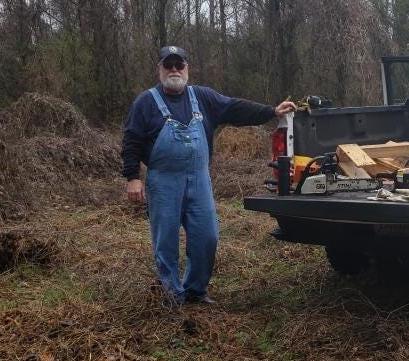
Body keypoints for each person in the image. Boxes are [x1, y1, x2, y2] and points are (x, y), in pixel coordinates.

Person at [122, 46, 296, 307]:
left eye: (179, 65)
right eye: (168, 65)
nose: (174, 70)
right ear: (159, 69)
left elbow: (235, 108)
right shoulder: (146, 102)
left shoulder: (202, 97)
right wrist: (133, 177)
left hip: (199, 179)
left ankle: (195, 290)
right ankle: (172, 294)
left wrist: (271, 112)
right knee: (165, 240)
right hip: (163, 181)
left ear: (187, 68)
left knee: (207, 236)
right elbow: (132, 140)